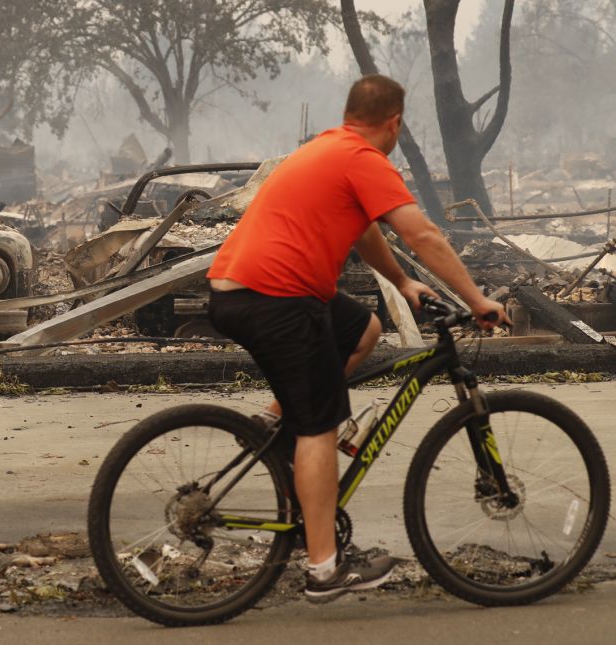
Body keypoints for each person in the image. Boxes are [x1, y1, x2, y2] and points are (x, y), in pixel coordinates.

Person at [206, 74, 509, 603]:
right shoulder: (364, 158)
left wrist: (403, 282)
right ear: (394, 122)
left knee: (364, 328)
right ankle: (324, 570)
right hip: (274, 298)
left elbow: (366, 230)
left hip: (250, 288)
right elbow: (423, 233)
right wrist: (476, 300)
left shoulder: (328, 148)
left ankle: (273, 421)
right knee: (320, 427)